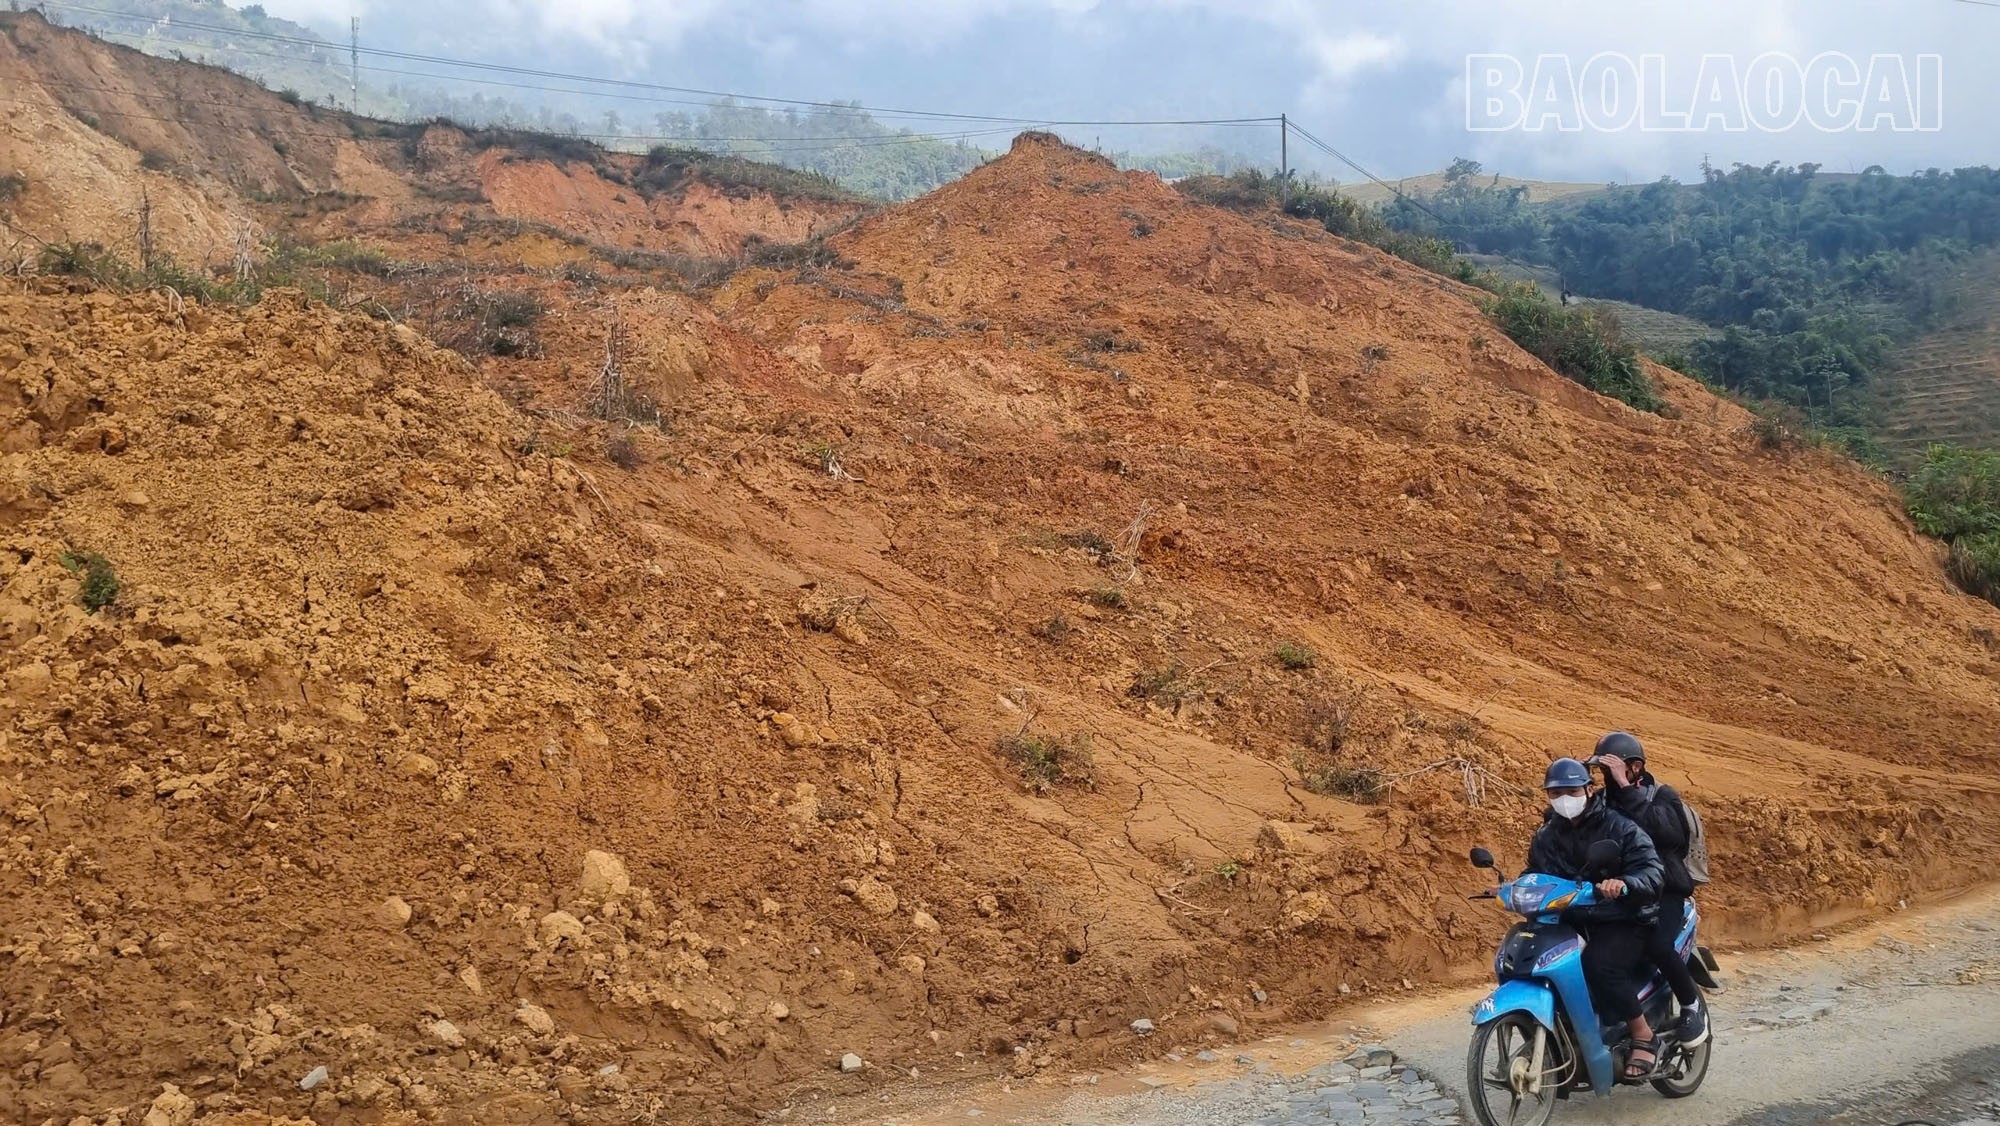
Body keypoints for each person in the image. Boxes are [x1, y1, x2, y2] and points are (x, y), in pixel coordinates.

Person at [1527, 757, 1667, 1079]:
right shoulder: (1547, 836)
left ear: (1590, 789)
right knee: (1537, 956)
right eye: (1555, 792)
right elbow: (1535, 873)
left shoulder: (1620, 826)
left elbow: (1652, 870)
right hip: (1574, 917)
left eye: (1571, 790)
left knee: (1599, 965)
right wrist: (1510, 887)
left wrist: (1625, 884)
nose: (1564, 799)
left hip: (1623, 917)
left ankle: (1643, 1034)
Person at [1590, 731, 1709, 1047]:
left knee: (1656, 943)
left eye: (1611, 770)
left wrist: (1627, 789)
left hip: (1663, 890)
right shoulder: (1602, 800)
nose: (1607, 777)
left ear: (1635, 768)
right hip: (1619, 890)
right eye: (1602, 771)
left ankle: (1690, 1005)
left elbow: (1666, 833)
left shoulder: (1662, 796)